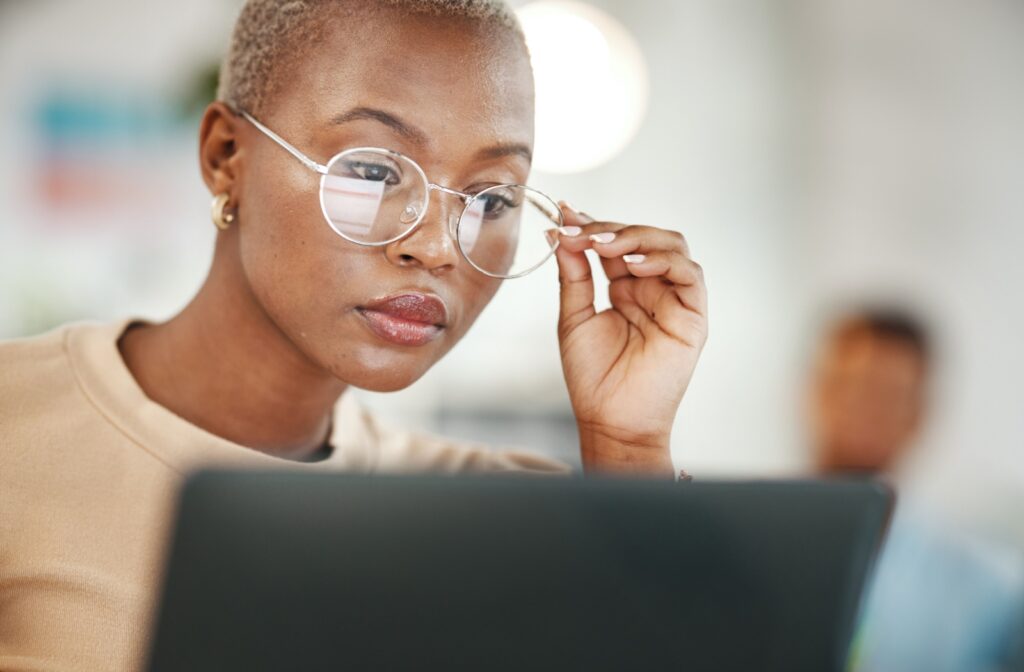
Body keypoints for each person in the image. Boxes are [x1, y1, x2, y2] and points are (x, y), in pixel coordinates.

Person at [0, 1, 708, 670]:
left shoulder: (500, 519)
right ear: (225, 156)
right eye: (372, 170)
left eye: (492, 198)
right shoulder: (18, 429)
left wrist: (629, 447)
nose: (435, 247)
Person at [808, 309, 1024, 671]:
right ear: (816, 393)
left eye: (888, 395)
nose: (863, 411)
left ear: (918, 415)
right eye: (849, 386)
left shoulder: (989, 588)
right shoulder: (750, 552)